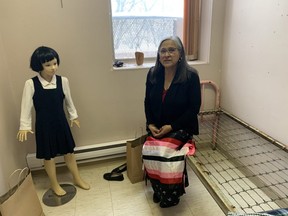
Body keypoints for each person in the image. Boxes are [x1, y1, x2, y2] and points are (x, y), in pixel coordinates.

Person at [17, 46, 90, 196]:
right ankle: (54, 184)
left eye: (55, 63)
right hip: (44, 125)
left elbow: (69, 101)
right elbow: (26, 106)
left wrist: (73, 116)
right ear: (39, 66)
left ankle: (77, 178)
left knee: (69, 152)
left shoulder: (63, 81)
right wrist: (24, 125)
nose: (53, 68)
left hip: (61, 122)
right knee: (48, 156)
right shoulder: (31, 84)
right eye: (48, 65)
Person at [143, 36, 201, 208]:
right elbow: (147, 102)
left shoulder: (191, 76)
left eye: (171, 50)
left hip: (181, 125)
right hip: (158, 125)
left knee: (165, 151)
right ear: (158, 55)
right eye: (163, 51)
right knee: (149, 149)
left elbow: (193, 109)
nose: (166, 54)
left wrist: (172, 126)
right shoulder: (153, 73)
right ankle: (158, 189)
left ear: (180, 53)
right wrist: (150, 124)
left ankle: (171, 194)